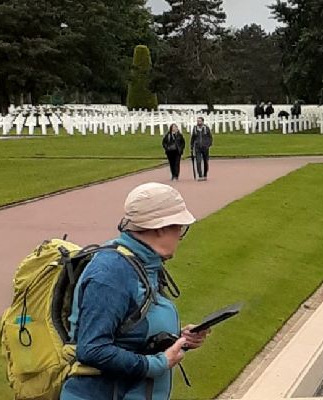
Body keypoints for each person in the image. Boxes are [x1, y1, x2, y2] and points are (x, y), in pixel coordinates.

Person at [63, 182, 209, 400]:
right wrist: (158, 363)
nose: (180, 235)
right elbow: (92, 349)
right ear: (160, 227)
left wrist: (178, 340)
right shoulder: (110, 272)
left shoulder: (145, 264)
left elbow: (131, 335)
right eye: (179, 227)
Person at [190, 117, 213, 182]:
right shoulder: (195, 129)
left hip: (205, 147)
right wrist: (191, 146)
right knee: (198, 161)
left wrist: (208, 144)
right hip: (197, 147)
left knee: (206, 161)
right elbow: (193, 138)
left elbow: (210, 137)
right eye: (197, 121)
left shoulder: (206, 128)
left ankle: (205, 174)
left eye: (199, 121)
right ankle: (200, 175)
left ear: (202, 122)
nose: (198, 122)